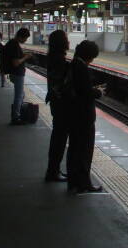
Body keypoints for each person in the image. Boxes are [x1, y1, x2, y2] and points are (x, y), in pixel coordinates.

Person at [66, 40, 105, 193]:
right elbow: (85, 93)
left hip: (74, 114)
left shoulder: (74, 63)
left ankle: (73, 182)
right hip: (83, 116)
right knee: (84, 151)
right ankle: (83, 183)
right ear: (89, 56)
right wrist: (98, 92)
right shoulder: (81, 67)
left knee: (74, 149)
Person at [45, 30, 70, 182]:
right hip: (62, 104)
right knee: (59, 139)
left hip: (56, 102)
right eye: (66, 38)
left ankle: (53, 170)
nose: (68, 41)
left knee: (58, 137)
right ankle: (53, 171)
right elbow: (64, 84)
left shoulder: (52, 57)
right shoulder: (60, 61)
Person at [5, 28, 32, 125]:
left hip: (14, 73)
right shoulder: (15, 45)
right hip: (17, 73)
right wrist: (25, 57)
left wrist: (23, 55)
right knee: (19, 96)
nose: (25, 40)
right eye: (25, 38)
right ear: (21, 36)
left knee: (21, 95)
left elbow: (15, 57)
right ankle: (15, 117)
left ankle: (17, 113)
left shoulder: (12, 43)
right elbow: (16, 63)